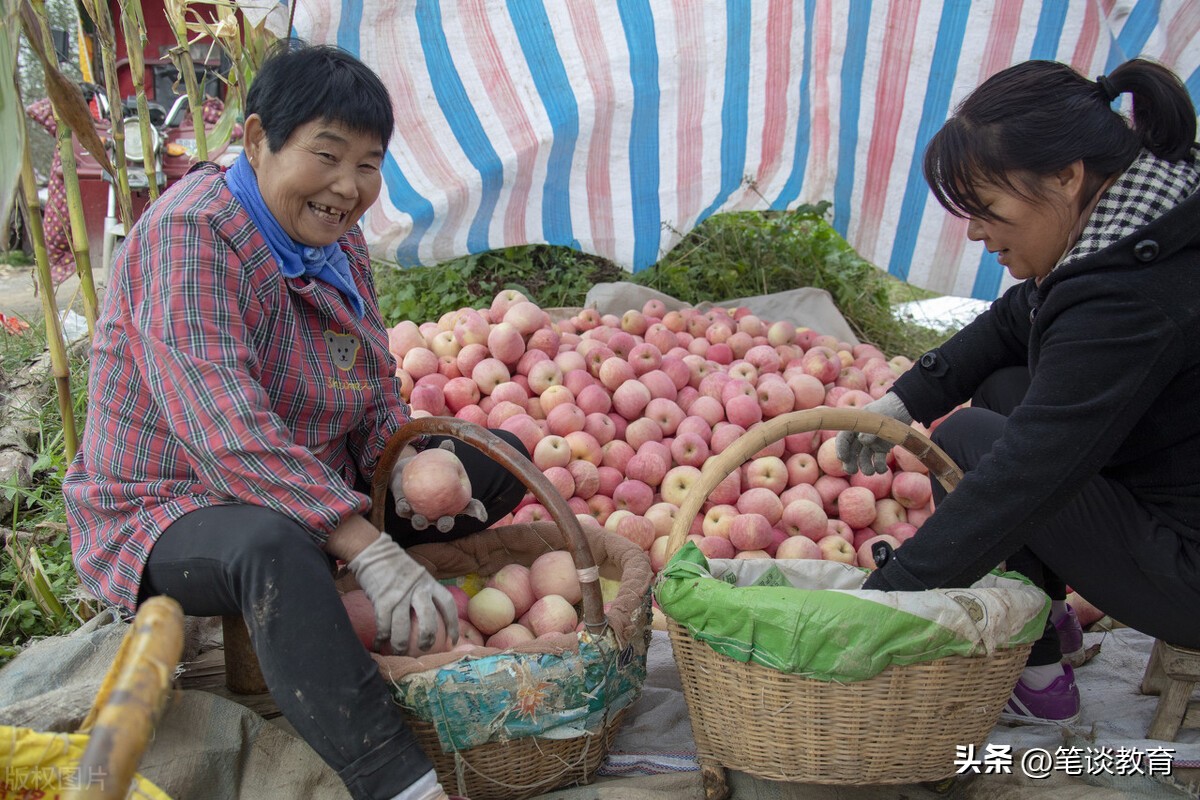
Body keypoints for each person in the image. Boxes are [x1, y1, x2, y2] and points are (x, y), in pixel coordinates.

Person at [63, 41, 530, 800]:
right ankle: (398, 780)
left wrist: (406, 467)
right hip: (172, 506)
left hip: (311, 484)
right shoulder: (192, 235)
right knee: (272, 547)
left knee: (496, 458)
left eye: (368, 165)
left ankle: (350, 598)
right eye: (327, 155)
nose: (348, 186)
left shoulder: (335, 235)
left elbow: (371, 380)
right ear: (256, 140)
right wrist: (365, 544)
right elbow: (226, 434)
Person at [837, 58, 1200, 725]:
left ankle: (1035, 674)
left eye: (988, 210)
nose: (977, 233)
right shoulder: (1150, 219)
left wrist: (884, 600)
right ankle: (1051, 617)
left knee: (966, 441)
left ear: (1066, 176)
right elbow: (1017, 318)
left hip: (1188, 572)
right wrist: (904, 400)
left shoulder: (1128, 299)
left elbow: (1024, 478)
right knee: (1005, 385)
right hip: (1171, 498)